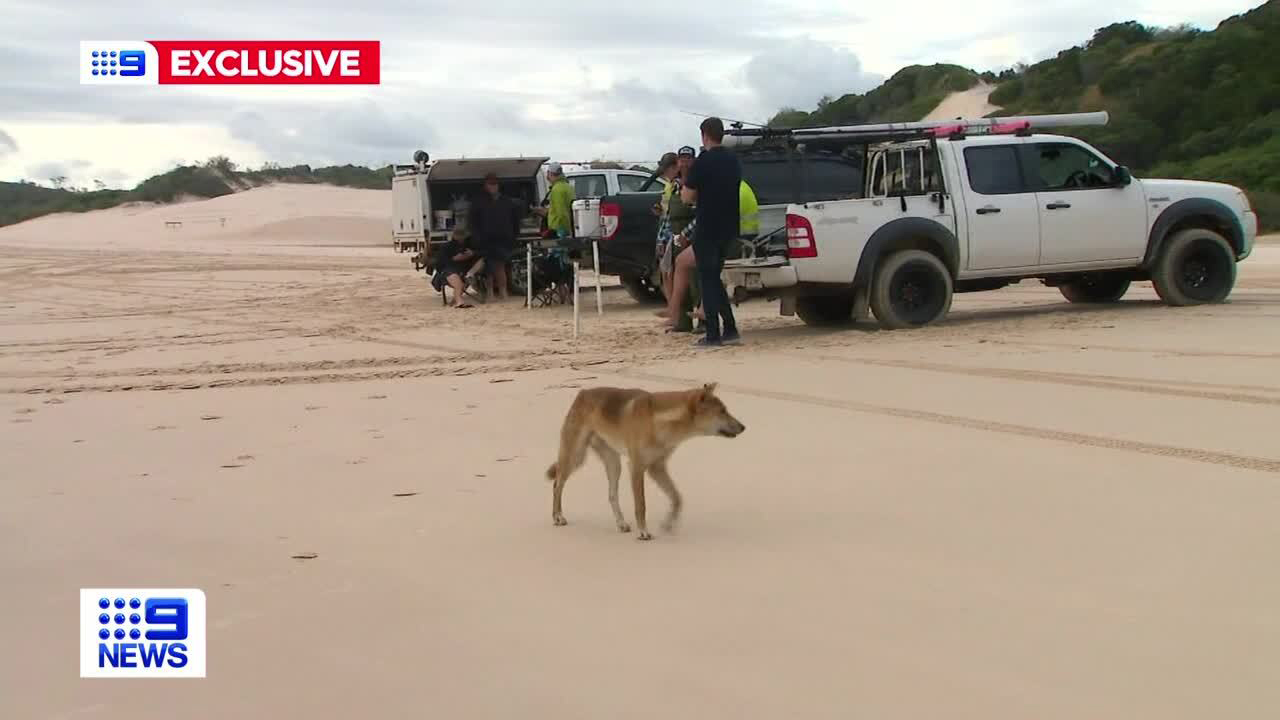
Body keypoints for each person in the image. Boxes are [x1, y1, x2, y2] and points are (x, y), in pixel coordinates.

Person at [682, 118, 741, 347]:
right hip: (729, 226)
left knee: (707, 278)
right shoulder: (732, 159)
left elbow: (687, 197)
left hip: (708, 225)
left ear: (704, 135)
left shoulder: (703, 161)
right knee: (714, 278)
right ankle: (730, 327)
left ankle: (713, 333)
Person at [470, 172, 522, 302]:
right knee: (488, 267)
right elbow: (473, 222)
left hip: (504, 239)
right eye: (490, 184)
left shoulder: (507, 201)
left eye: (495, 184)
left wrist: (514, 235)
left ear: (498, 185)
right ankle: (490, 292)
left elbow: (515, 220)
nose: (493, 187)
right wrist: (477, 237)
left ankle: (503, 292)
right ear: (485, 186)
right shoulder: (478, 201)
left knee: (500, 266)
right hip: (485, 239)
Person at [430, 228, 481, 308]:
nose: (461, 238)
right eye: (460, 236)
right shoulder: (446, 247)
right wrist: (454, 259)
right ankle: (459, 302)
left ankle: (456, 300)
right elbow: (440, 263)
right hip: (448, 271)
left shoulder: (469, 245)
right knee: (458, 283)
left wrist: (472, 254)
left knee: (463, 281)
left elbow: (481, 255)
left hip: (464, 271)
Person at [534, 162, 575, 238]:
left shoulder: (556, 189)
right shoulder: (569, 187)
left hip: (558, 229)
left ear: (550, 173)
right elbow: (565, 207)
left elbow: (561, 211)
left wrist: (562, 230)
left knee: (558, 249)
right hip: (570, 226)